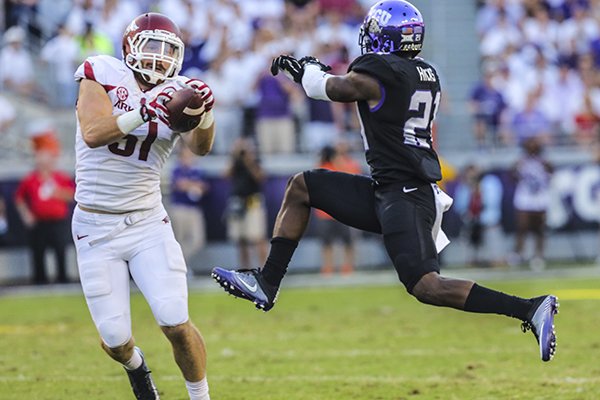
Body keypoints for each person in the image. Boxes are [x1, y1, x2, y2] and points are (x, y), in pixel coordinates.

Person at [212, 0, 559, 363]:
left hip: (406, 195)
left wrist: (306, 71)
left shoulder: (380, 71)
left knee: (426, 286)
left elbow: (331, 89)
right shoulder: (426, 73)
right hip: (387, 189)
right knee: (303, 186)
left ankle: (530, 308)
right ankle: (267, 282)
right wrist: (313, 72)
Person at [72, 13, 214, 400]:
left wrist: (205, 113)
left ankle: (200, 397)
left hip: (147, 220)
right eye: (151, 45)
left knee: (174, 319)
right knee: (115, 340)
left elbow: (201, 149)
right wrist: (144, 109)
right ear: (129, 46)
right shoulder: (101, 72)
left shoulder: (180, 89)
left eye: (168, 49)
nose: (159, 56)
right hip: (95, 226)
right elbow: (93, 132)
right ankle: (137, 366)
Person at [14, 128, 75, 284]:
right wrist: (27, 215)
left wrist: (57, 193)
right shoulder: (30, 179)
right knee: (38, 252)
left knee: (60, 250)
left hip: (58, 221)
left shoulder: (61, 178)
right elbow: (19, 199)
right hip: (39, 222)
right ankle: (40, 280)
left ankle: (63, 279)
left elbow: (72, 195)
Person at [314, 144, 359, 275]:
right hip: (325, 213)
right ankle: (328, 268)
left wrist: (339, 162)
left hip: (344, 211)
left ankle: (348, 267)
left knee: (348, 242)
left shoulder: (348, 164)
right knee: (326, 243)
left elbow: (353, 178)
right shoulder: (322, 168)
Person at [509, 137, 553, 271]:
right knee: (522, 226)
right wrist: (516, 168)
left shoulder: (543, 161)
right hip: (525, 196)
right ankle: (518, 253)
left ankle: (538, 256)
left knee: (539, 228)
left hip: (539, 196)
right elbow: (512, 175)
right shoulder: (521, 161)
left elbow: (551, 172)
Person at [224, 137, 268, 269]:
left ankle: (264, 269)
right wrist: (234, 156)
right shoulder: (235, 162)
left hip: (252, 201)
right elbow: (226, 175)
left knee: (258, 237)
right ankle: (245, 269)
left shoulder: (255, 161)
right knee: (241, 239)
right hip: (237, 202)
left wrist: (249, 160)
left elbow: (260, 177)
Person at [170, 144, 209, 267]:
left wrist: (191, 185)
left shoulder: (197, 170)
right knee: (179, 240)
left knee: (197, 241)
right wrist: (193, 185)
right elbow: (179, 184)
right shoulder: (177, 169)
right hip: (180, 208)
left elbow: (205, 187)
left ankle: (180, 264)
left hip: (194, 209)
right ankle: (178, 266)